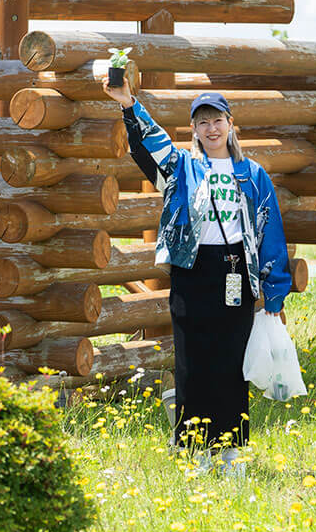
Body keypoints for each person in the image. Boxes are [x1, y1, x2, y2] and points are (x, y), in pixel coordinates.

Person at [102, 77, 292, 473]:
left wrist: (274, 293)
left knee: (230, 361)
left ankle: (230, 453)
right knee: (192, 361)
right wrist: (128, 105)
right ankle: (196, 451)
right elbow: (151, 144)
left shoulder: (253, 174)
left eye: (217, 120)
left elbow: (270, 230)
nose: (211, 129)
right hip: (193, 270)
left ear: (230, 123)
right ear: (194, 129)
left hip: (236, 270)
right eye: (202, 122)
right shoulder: (182, 167)